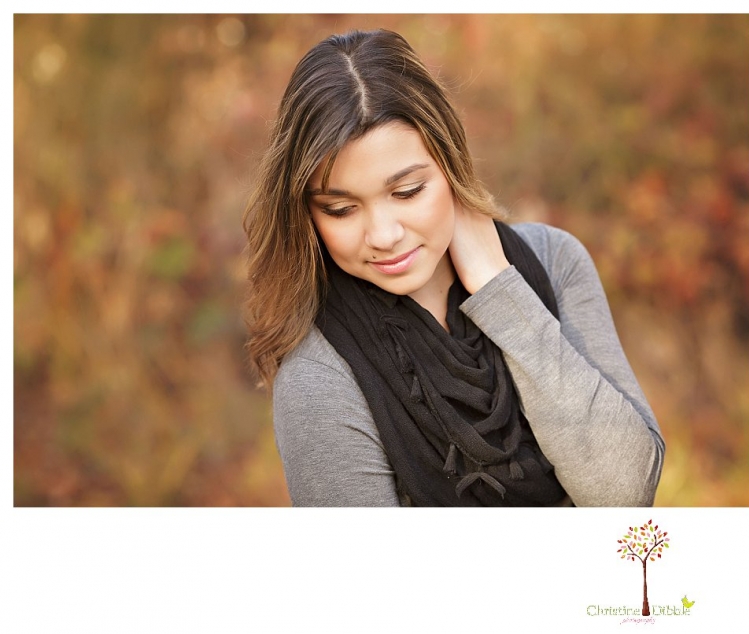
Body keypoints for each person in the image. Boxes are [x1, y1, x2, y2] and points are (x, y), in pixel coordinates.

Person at [242, 28, 665, 507]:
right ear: (306, 214)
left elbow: (627, 495)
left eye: (407, 192)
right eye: (341, 209)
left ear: (450, 163)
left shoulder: (554, 260)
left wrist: (498, 289)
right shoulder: (319, 377)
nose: (383, 235)